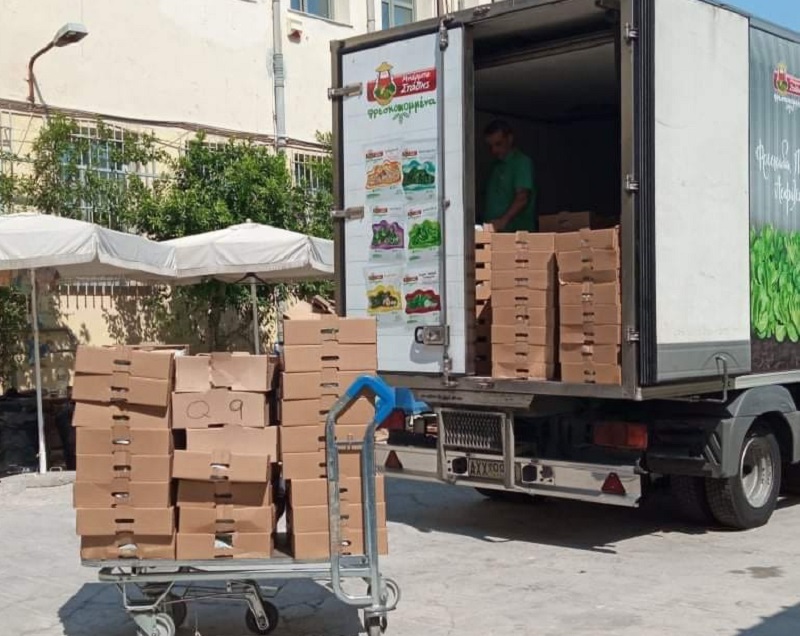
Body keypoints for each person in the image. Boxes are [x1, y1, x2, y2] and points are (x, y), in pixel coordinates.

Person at [482, 120, 537, 232]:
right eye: (490, 146)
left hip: (517, 234)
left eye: (498, 144)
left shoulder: (521, 162)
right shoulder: (495, 166)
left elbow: (522, 198)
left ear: (510, 139)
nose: (494, 150)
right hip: (493, 233)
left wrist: (503, 221)